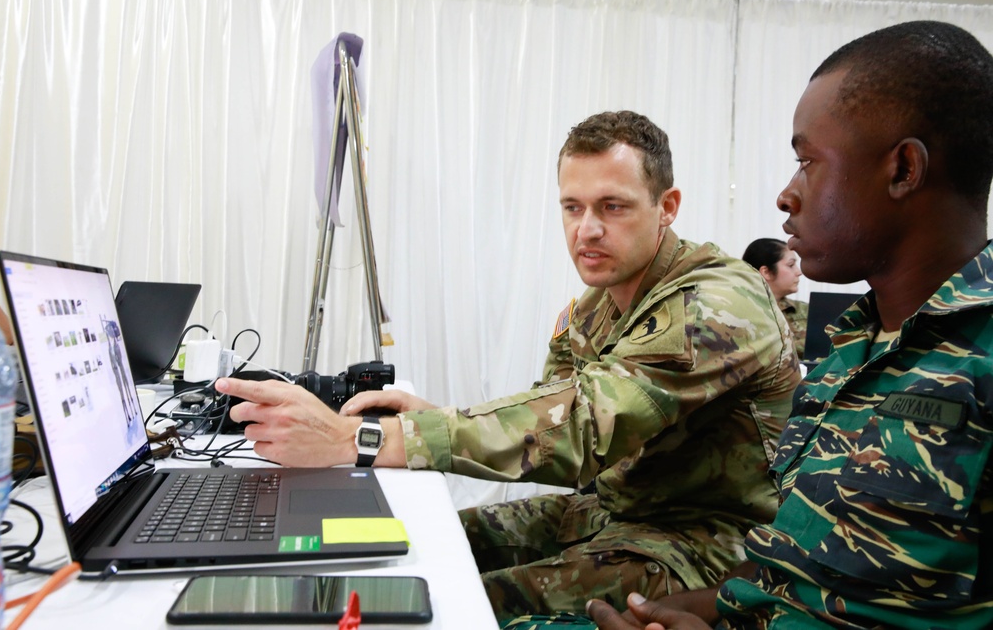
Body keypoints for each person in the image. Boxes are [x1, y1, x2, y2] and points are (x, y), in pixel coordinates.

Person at [217, 110, 800, 621]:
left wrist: (359, 438)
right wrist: (436, 417)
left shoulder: (720, 301)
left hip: (699, 542)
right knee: (416, 542)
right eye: (572, 207)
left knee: (451, 601)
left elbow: (580, 427)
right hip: (608, 511)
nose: (586, 229)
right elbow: (543, 415)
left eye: (612, 207)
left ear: (666, 207)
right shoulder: (593, 308)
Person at [586, 19, 993, 630]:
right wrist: (693, 611)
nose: (785, 193)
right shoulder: (849, 352)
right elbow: (794, 566)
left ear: (904, 169)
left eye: (808, 162)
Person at [741, 238, 806, 359]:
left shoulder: (806, 310)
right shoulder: (739, 312)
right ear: (766, 272)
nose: (798, 272)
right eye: (791, 265)